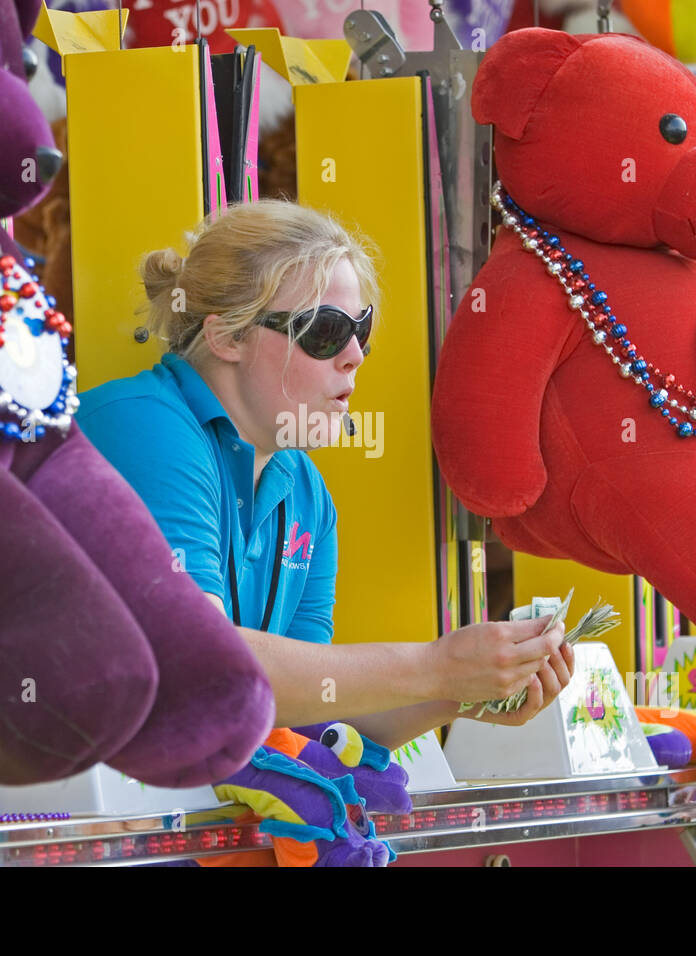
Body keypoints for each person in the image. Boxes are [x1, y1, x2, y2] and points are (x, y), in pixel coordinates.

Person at [77, 200, 573, 750]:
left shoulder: (306, 488)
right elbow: (198, 667)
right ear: (227, 338)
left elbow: (306, 714)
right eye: (324, 330)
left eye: (362, 328)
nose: (354, 355)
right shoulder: (142, 424)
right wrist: (436, 666)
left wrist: (465, 691)